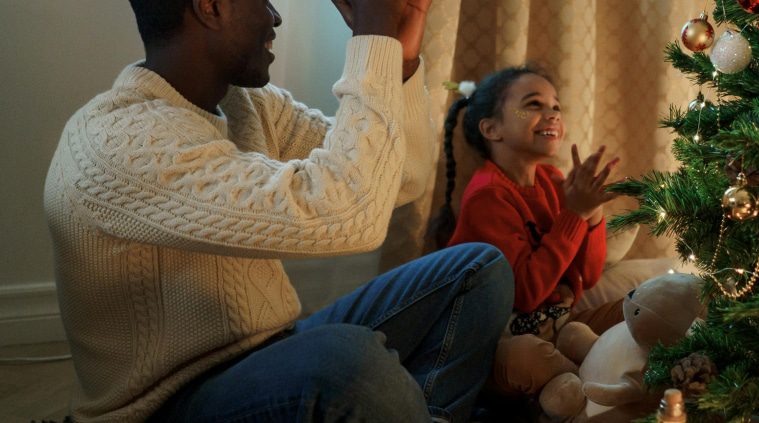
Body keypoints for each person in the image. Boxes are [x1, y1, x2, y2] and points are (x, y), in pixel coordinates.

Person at [42, 0, 512, 421]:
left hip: (272, 348)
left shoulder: (246, 102)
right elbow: (351, 214)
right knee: (347, 362)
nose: (276, 16)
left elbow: (398, 179)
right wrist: (373, 41)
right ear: (211, 7)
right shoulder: (119, 142)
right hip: (171, 401)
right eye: (264, 0)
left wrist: (401, 60)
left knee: (478, 267)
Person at [437, 67, 624, 413]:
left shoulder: (552, 180)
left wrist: (591, 212)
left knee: (635, 307)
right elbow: (525, 293)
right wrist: (574, 216)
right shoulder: (487, 197)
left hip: (560, 330)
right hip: (500, 348)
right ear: (492, 129)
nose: (552, 113)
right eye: (533, 104)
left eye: (556, 106)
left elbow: (588, 275)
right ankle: (602, 393)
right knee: (527, 356)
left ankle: (590, 381)